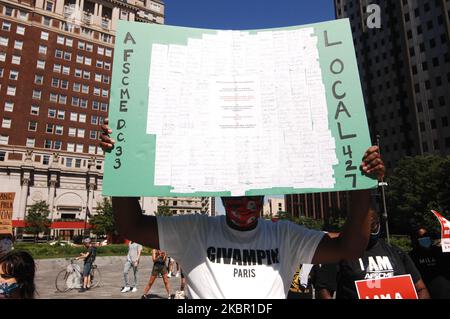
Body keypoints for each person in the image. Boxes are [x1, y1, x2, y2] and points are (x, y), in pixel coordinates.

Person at [101, 119, 386, 299]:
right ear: (222, 196)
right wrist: (120, 165)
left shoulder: (285, 236)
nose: (242, 201)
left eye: (250, 192)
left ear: (263, 192)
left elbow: (349, 248)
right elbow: (130, 226)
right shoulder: (195, 230)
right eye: (233, 193)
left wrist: (362, 186)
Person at [314, 210, 430, 299]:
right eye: (363, 226)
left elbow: (420, 288)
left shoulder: (396, 252)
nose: (368, 231)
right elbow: (323, 288)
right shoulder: (340, 252)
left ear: (379, 225)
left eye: (372, 226)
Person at [409, 226, 450, 298]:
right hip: (426, 291)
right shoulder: (412, 256)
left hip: (445, 291)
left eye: (426, 235)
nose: (424, 238)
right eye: (420, 236)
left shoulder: (439, 251)